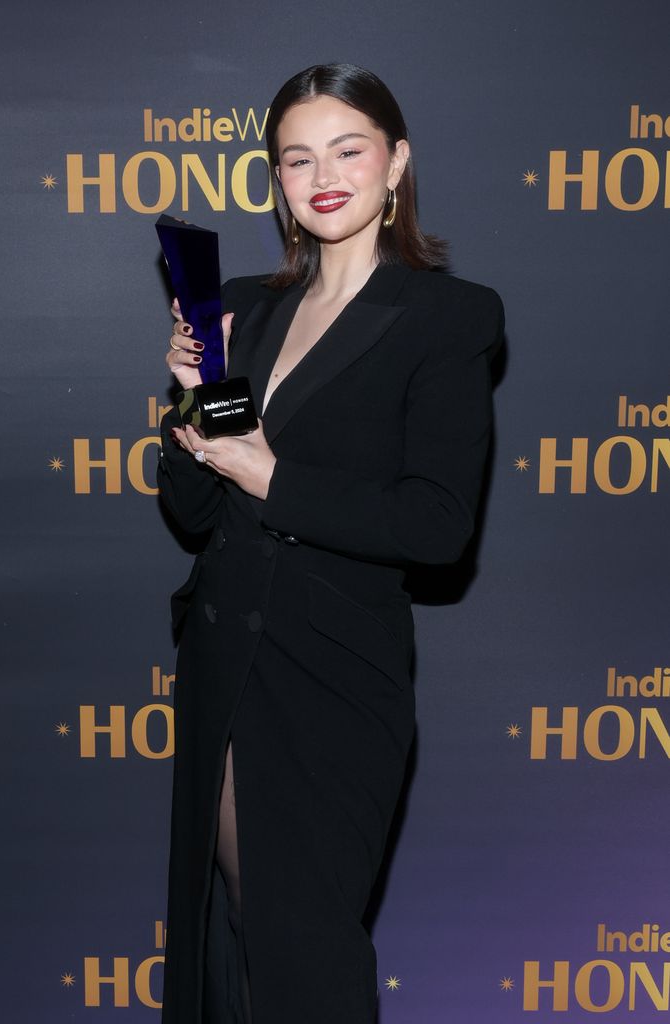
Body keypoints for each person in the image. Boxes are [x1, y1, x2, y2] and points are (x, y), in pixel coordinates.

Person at [157, 63, 504, 1024]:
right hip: (226, 658)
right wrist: (187, 403)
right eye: (296, 157)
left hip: (335, 676)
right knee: (231, 930)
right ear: (275, 180)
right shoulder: (242, 306)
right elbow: (189, 510)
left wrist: (270, 474)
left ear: (397, 161)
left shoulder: (448, 314)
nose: (324, 175)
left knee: (304, 944)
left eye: (349, 149)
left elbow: (437, 526)